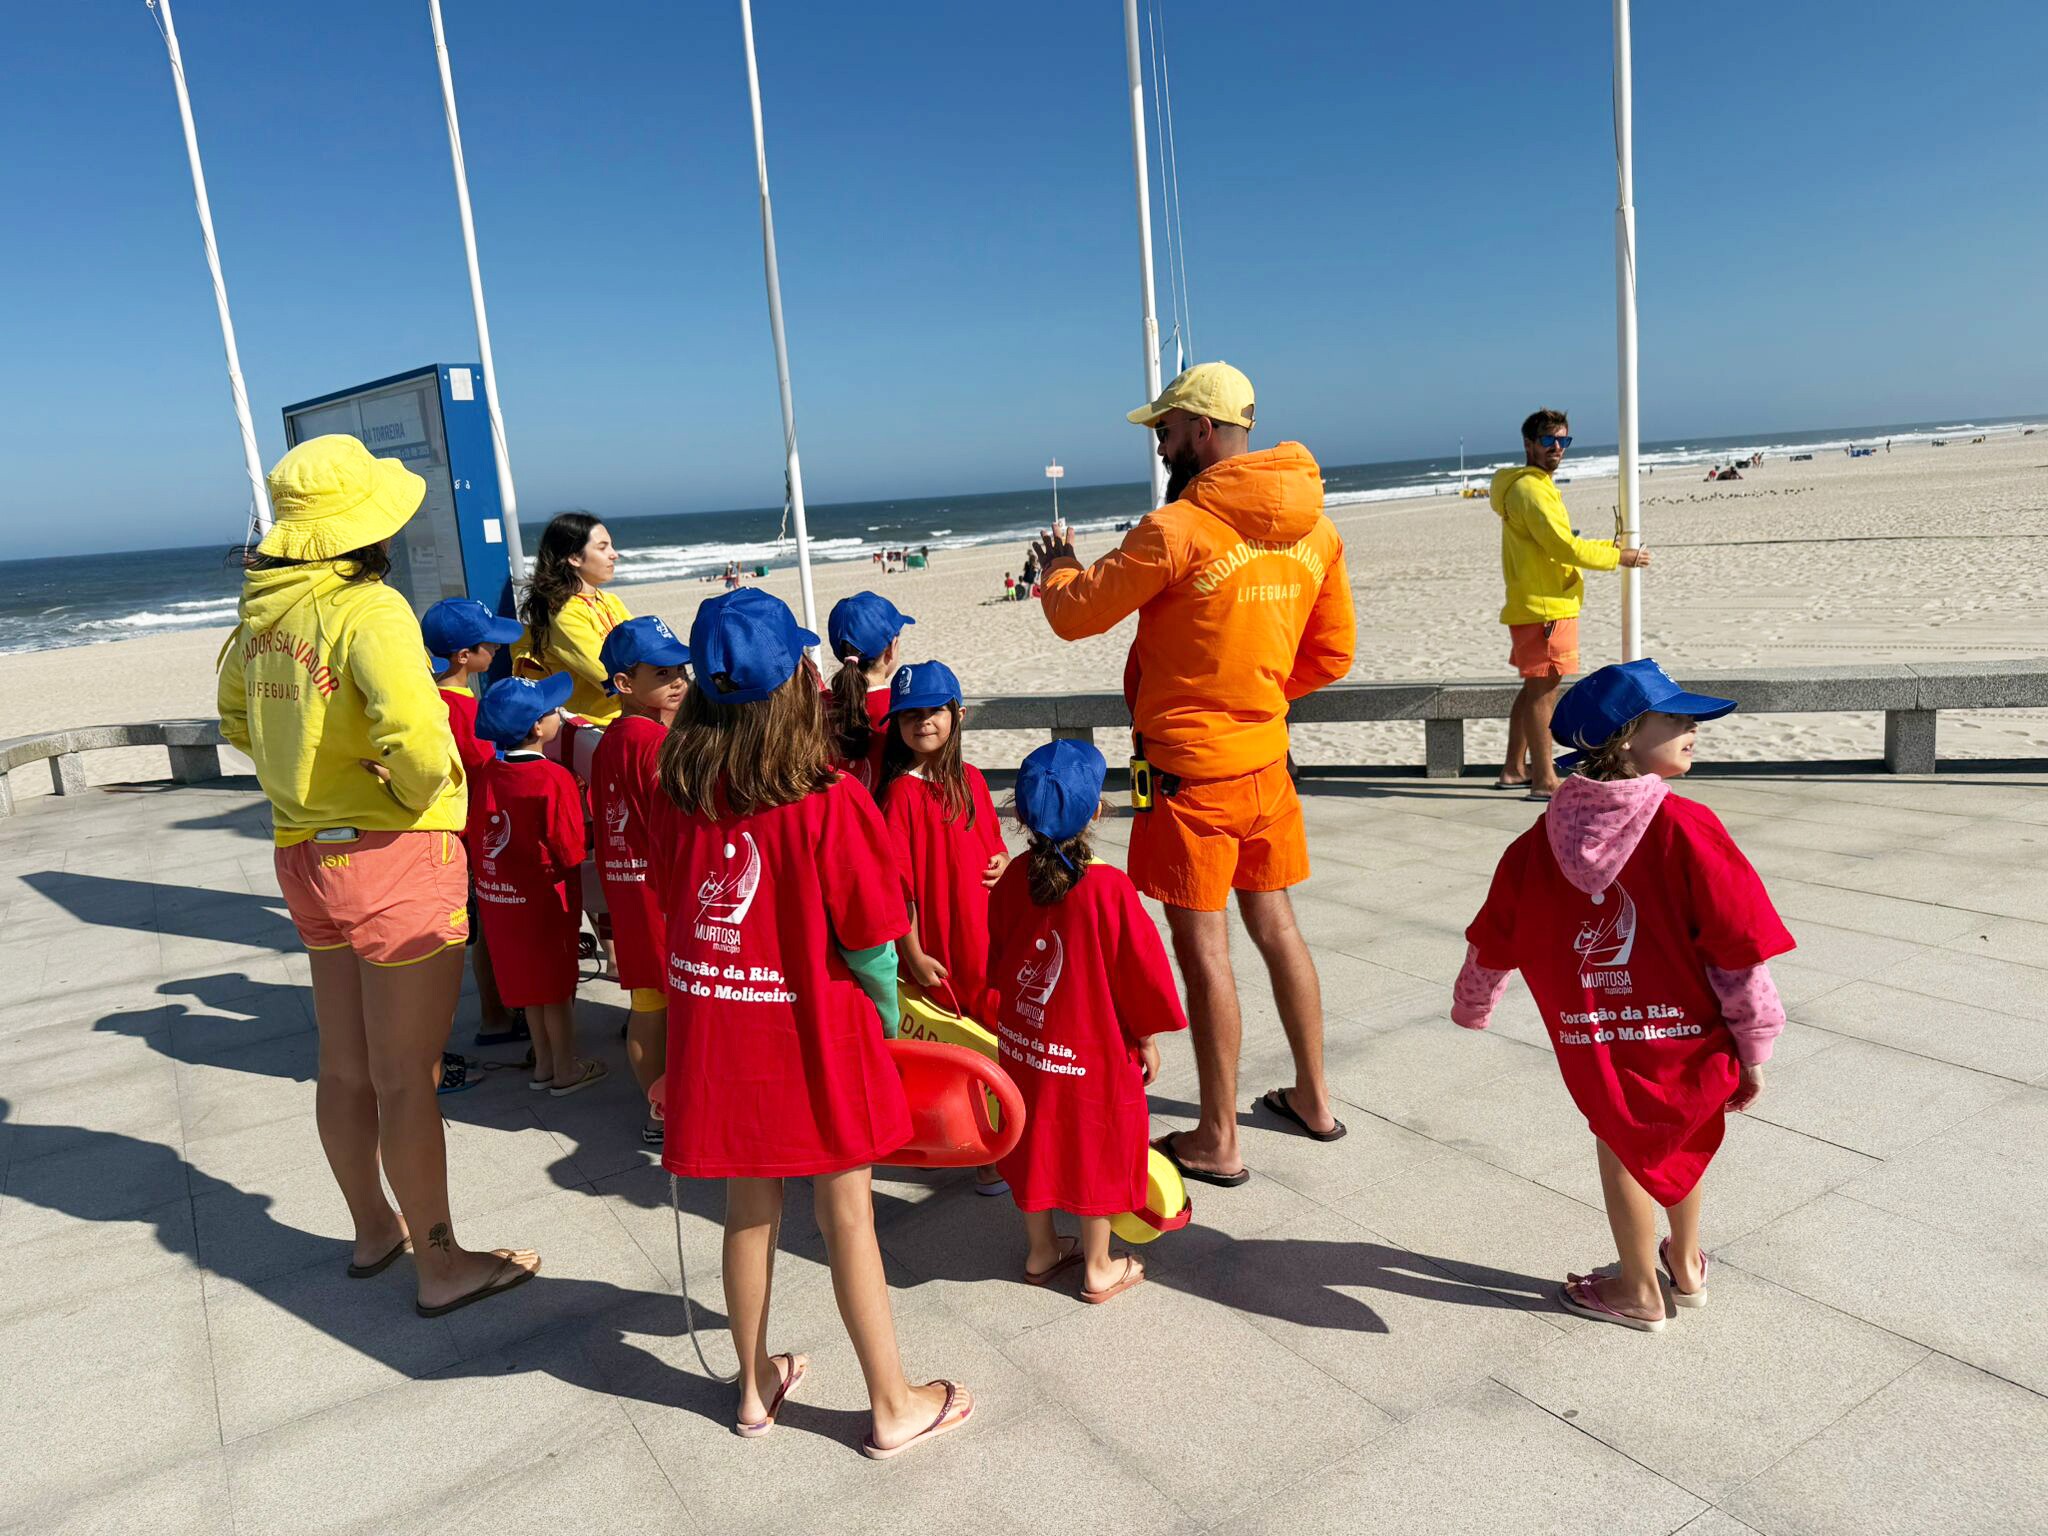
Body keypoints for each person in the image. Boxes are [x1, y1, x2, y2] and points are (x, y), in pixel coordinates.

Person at [644, 588, 973, 1455]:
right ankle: (892, 1401)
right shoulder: (828, 798)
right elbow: (871, 939)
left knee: (748, 1209)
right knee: (847, 1215)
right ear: (797, 679)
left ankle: (753, 1388)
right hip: (820, 1033)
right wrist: (889, 1019)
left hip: (721, 1034)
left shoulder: (677, 791)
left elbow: (675, 912)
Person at [217, 434, 538, 1316]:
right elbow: (421, 744)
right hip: (392, 853)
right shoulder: (370, 609)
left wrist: (309, 778)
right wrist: (401, 786)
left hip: (305, 852)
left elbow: (236, 721)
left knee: (344, 1064)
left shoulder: (262, 612)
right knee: (408, 1076)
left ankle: (373, 1230)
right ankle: (442, 1263)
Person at [1029, 361, 1355, 1188]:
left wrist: (1058, 566)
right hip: (1266, 762)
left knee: (1205, 948)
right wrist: (1255, 694)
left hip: (1188, 775)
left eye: (1166, 430)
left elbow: (1076, 614)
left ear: (1203, 430)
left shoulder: (1178, 528)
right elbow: (1332, 654)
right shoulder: (1316, 530)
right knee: (1277, 926)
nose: (1160, 444)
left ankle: (1218, 1137)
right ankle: (1315, 1100)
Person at [1451, 659, 1794, 1330]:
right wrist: (1754, 1045)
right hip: (1686, 1033)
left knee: (1622, 1141)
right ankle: (1672, 1272)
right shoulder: (1688, 827)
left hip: (1596, 1035)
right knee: (1678, 1131)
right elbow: (1736, 947)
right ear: (1627, 735)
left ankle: (1647, 1279)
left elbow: (1494, 934)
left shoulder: (1537, 843)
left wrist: (1474, 1003)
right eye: (1676, 717)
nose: (1693, 727)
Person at [991, 740, 1188, 1302]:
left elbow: (997, 954)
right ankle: (1098, 1266)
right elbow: (1140, 975)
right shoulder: (1107, 888)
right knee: (1097, 1142)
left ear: (1021, 815)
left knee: (1031, 1137)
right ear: (1097, 811)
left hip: (1027, 1043)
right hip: (1091, 1050)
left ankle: (1041, 1250)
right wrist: (1145, 1039)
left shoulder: (1014, 876)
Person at [877, 660, 1010, 1195]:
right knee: (954, 1050)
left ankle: (994, 1141)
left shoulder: (973, 779)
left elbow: (994, 845)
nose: (922, 722)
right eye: (909, 715)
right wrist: (911, 952)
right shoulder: (900, 794)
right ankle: (971, 1151)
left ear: (959, 714)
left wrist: (1002, 861)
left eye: (933, 710)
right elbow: (898, 887)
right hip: (939, 948)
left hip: (987, 942)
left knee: (994, 1039)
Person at [1491, 409, 1652, 801]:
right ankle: (1544, 780)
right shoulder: (1531, 490)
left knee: (1534, 689)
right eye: (1549, 440)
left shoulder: (1526, 486)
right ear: (1529, 444)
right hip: (1546, 607)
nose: (1557, 448)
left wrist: (1606, 548)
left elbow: (1558, 543)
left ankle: (1514, 769)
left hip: (1535, 602)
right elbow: (1563, 547)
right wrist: (1620, 557)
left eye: (1563, 440)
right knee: (1544, 693)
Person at [471, 674, 606, 1097]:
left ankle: (544, 1063)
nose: (558, 715)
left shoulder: (489, 772)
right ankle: (565, 1068)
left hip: (502, 901)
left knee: (531, 989)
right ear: (537, 727)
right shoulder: (553, 777)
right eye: (551, 711)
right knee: (557, 990)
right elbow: (569, 849)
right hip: (547, 901)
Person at [591, 616, 689, 1142]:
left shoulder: (610, 739)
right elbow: (676, 821)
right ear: (625, 683)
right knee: (671, 1008)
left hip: (628, 891)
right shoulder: (654, 742)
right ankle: (670, 1107)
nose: (678, 681)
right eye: (662, 673)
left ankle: (656, 1111)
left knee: (647, 1004)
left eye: (680, 670)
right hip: (660, 894)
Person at [422, 597, 528, 1051]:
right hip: (473, 831)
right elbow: (487, 770)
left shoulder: (433, 695)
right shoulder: (460, 709)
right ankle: (494, 1015)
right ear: (465, 656)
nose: (497, 649)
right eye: (490, 644)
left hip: (460, 827)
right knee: (485, 928)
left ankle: (497, 1010)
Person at [513, 512, 632, 725]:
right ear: (574, 558)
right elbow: (609, 675)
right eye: (603, 547)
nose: (614, 554)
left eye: (611, 546)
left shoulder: (610, 600)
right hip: (599, 726)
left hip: (632, 712)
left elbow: (647, 647)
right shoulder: (563, 613)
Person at [825, 592, 914, 796]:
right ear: (892, 648)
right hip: (887, 814)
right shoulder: (901, 709)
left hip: (834, 815)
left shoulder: (818, 709)